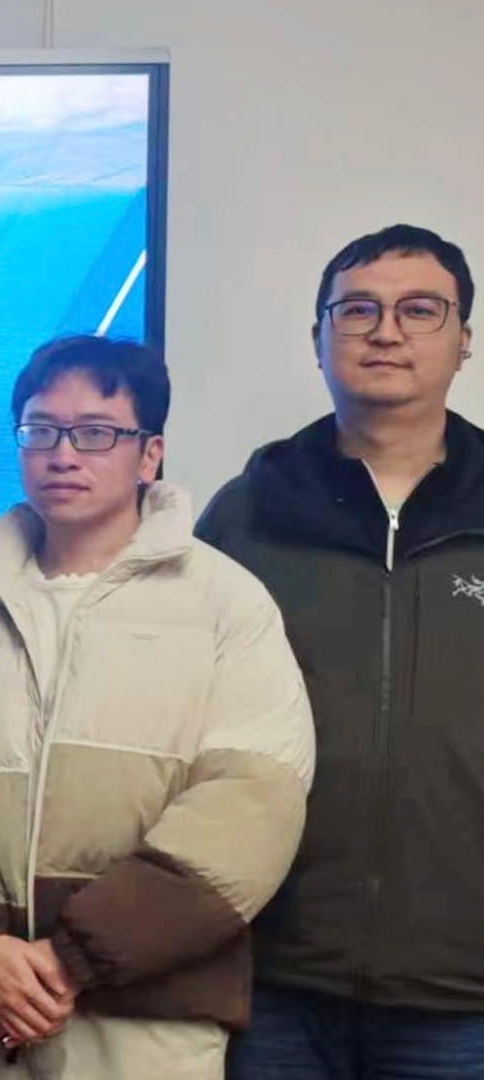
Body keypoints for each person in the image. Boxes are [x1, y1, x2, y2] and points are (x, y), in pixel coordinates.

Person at [0, 336, 315, 1079]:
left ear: (149, 454)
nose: (63, 454)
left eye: (96, 432)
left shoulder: (226, 603)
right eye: (41, 431)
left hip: (148, 1024)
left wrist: (69, 959)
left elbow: (252, 805)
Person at [198, 225, 484, 1078]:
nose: (385, 332)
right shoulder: (247, 513)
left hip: (464, 990)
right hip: (273, 975)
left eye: (419, 310)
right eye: (357, 310)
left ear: (464, 340)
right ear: (318, 336)